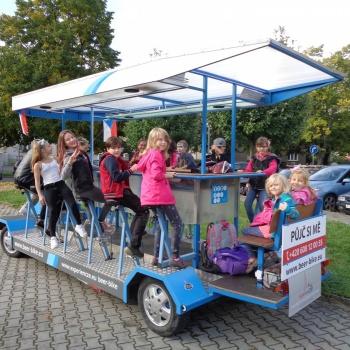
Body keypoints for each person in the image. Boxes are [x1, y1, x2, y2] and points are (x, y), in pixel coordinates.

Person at [137, 127, 186, 269]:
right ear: (152, 140)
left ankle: (156, 256)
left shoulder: (148, 153)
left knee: (160, 225)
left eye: (165, 139)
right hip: (160, 195)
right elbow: (156, 175)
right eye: (159, 139)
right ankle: (175, 257)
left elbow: (140, 167)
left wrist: (166, 170)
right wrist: (168, 175)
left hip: (149, 195)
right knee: (177, 223)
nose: (163, 142)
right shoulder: (157, 154)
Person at [32, 139, 87, 249]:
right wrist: (40, 195)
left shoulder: (55, 159)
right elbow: (37, 181)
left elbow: (64, 164)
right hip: (49, 187)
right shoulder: (38, 165)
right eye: (49, 146)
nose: (51, 148)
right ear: (42, 150)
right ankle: (53, 237)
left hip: (60, 183)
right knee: (53, 211)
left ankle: (79, 225)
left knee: (72, 203)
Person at [99, 136, 149, 258]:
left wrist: (132, 165)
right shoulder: (110, 159)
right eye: (113, 148)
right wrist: (131, 170)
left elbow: (123, 169)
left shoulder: (113, 159)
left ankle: (134, 234)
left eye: (118, 147)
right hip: (117, 193)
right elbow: (117, 177)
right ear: (107, 148)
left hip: (115, 192)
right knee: (144, 210)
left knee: (140, 209)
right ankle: (134, 244)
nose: (117, 150)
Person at [58, 130, 114, 233]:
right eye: (68, 139)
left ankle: (98, 233)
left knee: (91, 212)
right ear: (64, 143)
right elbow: (63, 176)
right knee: (112, 198)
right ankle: (101, 222)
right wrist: (70, 162)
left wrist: (103, 169)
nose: (72, 140)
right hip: (84, 189)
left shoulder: (81, 153)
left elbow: (88, 166)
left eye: (72, 137)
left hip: (85, 188)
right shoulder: (69, 156)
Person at [242, 173, 299, 239]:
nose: (273, 187)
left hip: (275, 232)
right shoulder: (274, 199)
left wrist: (287, 209)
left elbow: (296, 215)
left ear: (283, 186)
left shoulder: (285, 199)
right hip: (275, 229)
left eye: (276, 185)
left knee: (245, 231)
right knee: (252, 227)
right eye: (271, 186)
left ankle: (259, 248)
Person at [241, 137, 280, 223]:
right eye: (259, 146)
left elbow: (272, 169)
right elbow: (248, 169)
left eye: (263, 146)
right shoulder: (254, 158)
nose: (261, 148)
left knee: (263, 206)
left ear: (267, 147)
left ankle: (265, 223)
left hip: (265, 186)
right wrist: (242, 172)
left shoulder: (272, 158)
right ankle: (253, 222)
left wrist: (262, 172)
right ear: (256, 147)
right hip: (253, 185)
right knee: (247, 204)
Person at [14, 139, 47, 231]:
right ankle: (41, 218)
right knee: (43, 194)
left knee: (38, 192)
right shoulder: (37, 152)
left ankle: (26, 208)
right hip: (24, 179)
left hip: (20, 177)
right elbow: (37, 167)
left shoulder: (31, 151)